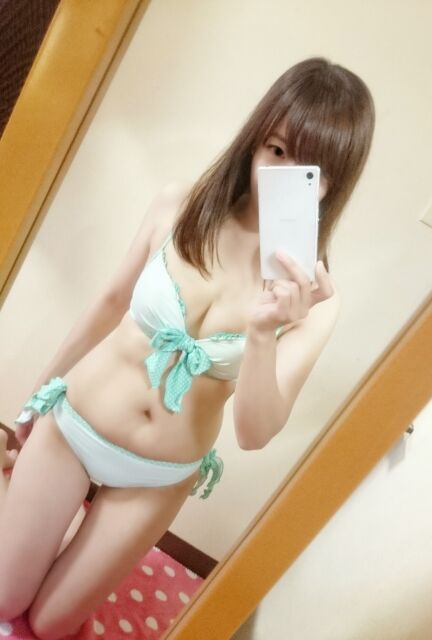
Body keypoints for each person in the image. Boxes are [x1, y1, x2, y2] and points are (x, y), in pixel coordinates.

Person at [0, 56, 375, 639]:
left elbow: (254, 433)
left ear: (333, 183)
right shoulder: (179, 205)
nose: (283, 175)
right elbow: (108, 303)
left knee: (50, 626)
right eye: (277, 149)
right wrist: (34, 399)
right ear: (255, 140)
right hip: (75, 425)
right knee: (5, 597)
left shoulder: (317, 302)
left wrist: (263, 332)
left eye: (310, 169)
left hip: (157, 475)